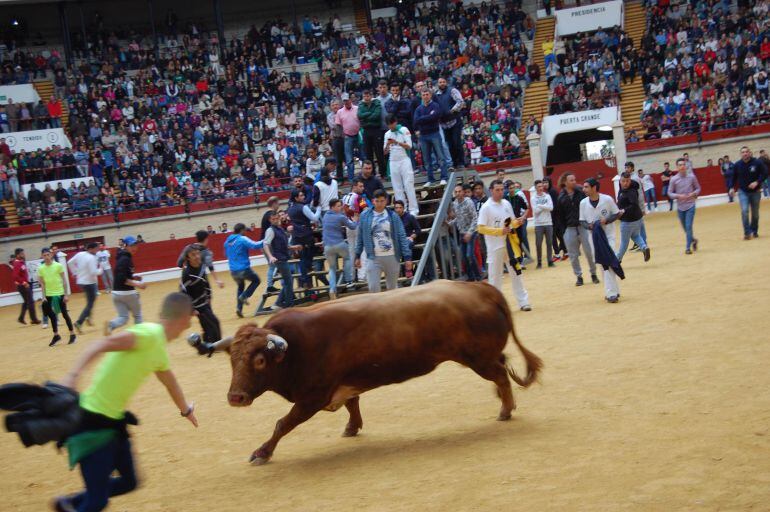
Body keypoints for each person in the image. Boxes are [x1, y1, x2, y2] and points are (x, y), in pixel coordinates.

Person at [54, 293, 198, 512]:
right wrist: (73, 376)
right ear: (183, 319)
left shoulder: (158, 347)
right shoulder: (148, 334)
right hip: (92, 422)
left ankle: (70, 504)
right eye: (190, 317)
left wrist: (186, 410)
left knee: (129, 481)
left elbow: (171, 383)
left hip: (114, 423)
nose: (190, 322)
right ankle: (78, 503)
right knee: (97, 501)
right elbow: (102, 343)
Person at [477, 180, 532, 311]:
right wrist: (499, 231)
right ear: (491, 190)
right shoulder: (486, 207)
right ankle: (495, 305)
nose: (501, 192)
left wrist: (517, 222)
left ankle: (523, 302)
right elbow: (481, 228)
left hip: (509, 244)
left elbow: (510, 222)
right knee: (495, 276)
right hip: (494, 246)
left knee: (516, 273)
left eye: (502, 189)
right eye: (497, 190)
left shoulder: (506, 203)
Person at [355, 189, 413, 292]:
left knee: (392, 288)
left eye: (382, 201)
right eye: (377, 201)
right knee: (373, 288)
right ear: (373, 201)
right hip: (373, 257)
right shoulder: (365, 216)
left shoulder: (393, 216)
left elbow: (401, 236)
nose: (379, 204)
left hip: (392, 256)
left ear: (386, 201)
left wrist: (407, 257)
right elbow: (360, 236)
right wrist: (357, 255)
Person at [579, 178, 623, 303]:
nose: (584, 189)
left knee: (608, 261)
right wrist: (589, 226)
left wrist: (607, 220)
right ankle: (613, 290)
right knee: (602, 263)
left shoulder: (607, 199)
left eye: (586, 187)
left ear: (594, 188)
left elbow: (616, 213)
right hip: (593, 237)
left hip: (608, 235)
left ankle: (611, 293)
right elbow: (581, 221)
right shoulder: (583, 203)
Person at [556, 173, 598, 286]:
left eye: (574, 179)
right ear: (565, 182)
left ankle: (593, 273)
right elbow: (559, 216)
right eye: (571, 180)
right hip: (569, 229)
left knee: (589, 252)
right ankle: (579, 276)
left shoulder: (581, 192)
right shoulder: (561, 197)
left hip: (583, 226)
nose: (574, 182)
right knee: (573, 255)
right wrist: (564, 231)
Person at [180, 246, 221, 344]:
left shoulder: (202, 266)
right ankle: (216, 344)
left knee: (206, 324)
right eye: (193, 255)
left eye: (198, 253)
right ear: (188, 258)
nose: (197, 256)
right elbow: (183, 292)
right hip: (196, 305)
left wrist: (209, 295)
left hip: (205, 301)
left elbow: (206, 282)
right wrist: (191, 309)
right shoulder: (187, 274)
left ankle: (208, 343)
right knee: (214, 322)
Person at [106, 236, 146, 335]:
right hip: (127, 293)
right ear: (125, 246)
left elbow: (123, 275)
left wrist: (134, 277)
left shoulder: (121, 257)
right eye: (131, 245)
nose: (134, 248)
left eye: (135, 245)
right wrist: (138, 284)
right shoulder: (125, 259)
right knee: (137, 316)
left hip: (116, 293)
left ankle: (111, 325)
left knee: (123, 317)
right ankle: (139, 336)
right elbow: (123, 279)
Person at [38, 247, 77, 346]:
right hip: (49, 295)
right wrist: (43, 297)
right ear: (42, 256)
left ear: (51, 255)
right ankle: (56, 335)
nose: (46, 257)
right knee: (52, 316)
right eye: (44, 255)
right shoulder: (41, 268)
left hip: (60, 294)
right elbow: (42, 284)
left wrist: (66, 295)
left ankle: (72, 334)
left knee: (64, 314)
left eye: (48, 255)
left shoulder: (58, 266)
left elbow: (64, 280)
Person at [224, 223, 264, 317]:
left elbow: (226, 254)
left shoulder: (227, 241)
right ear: (242, 230)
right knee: (256, 280)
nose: (245, 232)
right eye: (245, 230)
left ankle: (239, 308)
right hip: (243, 269)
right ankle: (244, 296)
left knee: (240, 286)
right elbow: (255, 245)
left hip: (233, 271)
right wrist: (266, 240)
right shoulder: (242, 238)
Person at [322, 198, 358, 299]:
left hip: (327, 246)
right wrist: (355, 219)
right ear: (332, 207)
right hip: (339, 243)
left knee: (332, 268)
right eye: (338, 206)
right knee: (347, 258)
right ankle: (349, 280)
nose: (340, 207)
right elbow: (352, 226)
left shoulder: (325, 216)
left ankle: (332, 289)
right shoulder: (340, 217)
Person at [262, 211, 298, 310]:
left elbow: (284, 246)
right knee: (288, 281)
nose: (275, 220)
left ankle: (281, 303)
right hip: (279, 258)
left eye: (276, 218)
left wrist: (294, 247)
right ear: (269, 220)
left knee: (288, 281)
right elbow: (265, 244)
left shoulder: (279, 229)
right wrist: (270, 256)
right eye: (273, 219)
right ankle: (288, 304)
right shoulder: (271, 230)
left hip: (282, 257)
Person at [413, 89, 450, 186]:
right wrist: (428, 117)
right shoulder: (418, 109)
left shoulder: (435, 106)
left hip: (434, 133)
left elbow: (435, 117)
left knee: (440, 157)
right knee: (426, 159)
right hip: (423, 135)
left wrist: (423, 119)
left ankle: (444, 177)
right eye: (423, 94)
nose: (425, 96)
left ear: (430, 95)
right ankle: (430, 179)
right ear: (421, 96)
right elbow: (416, 120)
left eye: (427, 94)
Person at [729, 146, 767, 240]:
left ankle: (754, 230)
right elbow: (733, 177)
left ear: (750, 153)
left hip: (755, 192)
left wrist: (757, 182)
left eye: (746, 152)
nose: (745, 153)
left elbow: (765, 172)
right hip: (743, 192)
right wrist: (731, 187)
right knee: (745, 211)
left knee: (755, 214)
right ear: (740, 154)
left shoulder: (757, 162)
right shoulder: (737, 165)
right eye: (743, 152)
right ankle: (747, 233)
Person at [384, 114, 419, 216]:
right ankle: (401, 209)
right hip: (393, 161)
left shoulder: (403, 130)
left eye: (392, 124)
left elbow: (409, 146)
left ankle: (413, 209)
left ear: (395, 122)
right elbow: (385, 152)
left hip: (404, 160)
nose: (391, 126)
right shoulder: (387, 134)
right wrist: (388, 144)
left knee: (408, 185)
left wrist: (397, 142)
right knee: (397, 187)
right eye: (388, 125)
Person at [287, 189, 321, 290]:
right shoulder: (303, 207)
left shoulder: (290, 208)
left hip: (296, 235)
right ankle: (306, 277)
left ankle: (305, 280)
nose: (303, 197)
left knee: (302, 258)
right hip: (306, 234)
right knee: (308, 256)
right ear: (296, 198)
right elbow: (314, 218)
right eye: (301, 196)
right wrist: (319, 208)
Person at [668, 158, 701, 254]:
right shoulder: (674, 179)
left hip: (690, 205)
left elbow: (698, 188)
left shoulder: (692, 177)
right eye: (680, 165)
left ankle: (687, 247)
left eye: (683, 164)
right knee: (685, 228)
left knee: (688, 226)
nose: (682, 166)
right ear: (677, 167)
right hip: (680, 207)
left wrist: (693, 194)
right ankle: (694, 240)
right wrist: (678, 196)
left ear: (686, 166)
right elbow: (669, 193)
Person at [616, 172, 652, 263]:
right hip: (637, 219)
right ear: (620, 181)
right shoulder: (625, 189)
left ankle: (617, 259)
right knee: (635, 235)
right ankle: (644, 247)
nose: (625, 183)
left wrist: (623, 211)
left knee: (624, 242)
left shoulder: (631, 192)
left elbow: (633, 205)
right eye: (623, 181)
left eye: (627, 181)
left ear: (630, 181)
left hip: (628, 220)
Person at [68, 242, 102, 334]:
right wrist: (101, 270)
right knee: (90, 303)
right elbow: (93, 272)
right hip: (89, 283)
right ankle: (79, 322)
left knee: (90, 300)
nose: (97, 250)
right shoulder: (91, 258)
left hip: (81, 282)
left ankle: (88, 317)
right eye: (96, 248)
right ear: (91, 249)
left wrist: (74, 273)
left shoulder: (80, 254)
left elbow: (69, 262)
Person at [449, 183, 480, 281]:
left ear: (463, 192)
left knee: (469, 255)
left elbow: (475, 218)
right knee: (463, 257)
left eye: (459, 191)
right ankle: (471, 277)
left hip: (471, 232)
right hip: (462, 233)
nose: (457, 193)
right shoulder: (455, 204)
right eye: (456, 192)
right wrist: (449, 223)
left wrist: (470, 233)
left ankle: (478, 276)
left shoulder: (469, 202)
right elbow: (458, 218)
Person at [357, 89, 386, 177]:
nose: (366, 98)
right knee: (368, 154)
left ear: (371, 96)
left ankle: (383, 173)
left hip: (376, 130)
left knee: (379, 153)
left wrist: (366, 117)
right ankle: (371, 174)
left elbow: (377, 115)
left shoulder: (376, 103)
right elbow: (359, 115)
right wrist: (370, 114)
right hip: (366, 131)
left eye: (368, 96)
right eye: (364, 96)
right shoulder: (361, 104)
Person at [335, 92, 360, 181]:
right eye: (344, 101)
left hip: (358, 135)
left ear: (351, 99)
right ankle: (351, 179)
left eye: (347, 100)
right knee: (349, 159)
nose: (346, 102)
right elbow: (338, 126)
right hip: (348, 136)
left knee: (363, 156)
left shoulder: (357, 108)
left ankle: (365, 175)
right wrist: (343, 136)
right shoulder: (339, 112)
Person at [12, 248, 41, 325]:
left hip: (23, 285)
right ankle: (34, 319)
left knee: (26, 302)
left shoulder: (20, 262)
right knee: (30, 301)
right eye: (22, 254)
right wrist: (24, 282)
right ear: (18, 255)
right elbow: (15, 276)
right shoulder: (17, 263)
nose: (24, 255)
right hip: (23, 285)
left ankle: (21, 318)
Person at [531, 180, 555, 269]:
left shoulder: (547, 196)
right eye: (539, 187)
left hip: (548, 222)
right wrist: (545, 206)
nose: (541, 188)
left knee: (549, 243)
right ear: (536, 188)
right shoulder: (533, 198)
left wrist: (540, 206)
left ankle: (550, 261)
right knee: (538, 244)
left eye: (541, 186)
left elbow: (551, 208)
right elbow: (535, 211)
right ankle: (539, 262)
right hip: (538, 224)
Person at [260, 196, 281, 292]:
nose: (279, 205)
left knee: (273, 266)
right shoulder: (271, 215)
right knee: (273, 265)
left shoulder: (266, 214)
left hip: (264, 243)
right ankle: (269, 285)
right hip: (268, 244)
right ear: (274, 204)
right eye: (278, 203)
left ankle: (270, 285)